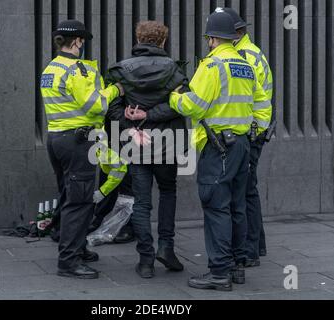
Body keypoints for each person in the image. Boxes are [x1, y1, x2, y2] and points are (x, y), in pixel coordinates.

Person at [169, 11, 272, 291]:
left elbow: (195, 105)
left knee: (216, 207)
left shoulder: (212, 66)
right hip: (241, 145)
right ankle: (238, 266)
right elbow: (262, 102)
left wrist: (175, 97)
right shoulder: (245, 64)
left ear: (212, 38)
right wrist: (255, 134)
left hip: (218, 148)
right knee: (237, 206)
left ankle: (218, 272)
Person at [40, 20, 124, 279]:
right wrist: (114, 90)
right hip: (78, 142)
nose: (83, 46)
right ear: (76, 41)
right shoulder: (76, 69)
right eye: (82, 42)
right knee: (79, 202)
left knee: (68, 195)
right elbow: (96, 106)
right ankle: (69, 261)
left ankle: (76, 248)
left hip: (56, 139)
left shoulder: (51, 68)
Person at [106, 21, 189, 279]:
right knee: (168, 192)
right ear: (163, 41)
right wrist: (152, 113)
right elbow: (181, 105)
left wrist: (131, 121)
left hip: (135, 143)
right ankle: (166, 248)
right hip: (168, 143)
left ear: (138, 38)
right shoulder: (175, 71)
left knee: (141, 203)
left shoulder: (121, 69)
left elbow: (111, 107)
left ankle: (145, 260)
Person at [222, 7, 274, 265]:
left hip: (249, 132)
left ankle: (250, 250)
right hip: (256, 129)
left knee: (244, 192)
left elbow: (249, 97)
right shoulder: (252, 52)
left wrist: (252, 133)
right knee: (248, 189)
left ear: (236, 33)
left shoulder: (243, 56)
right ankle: (256, 245)